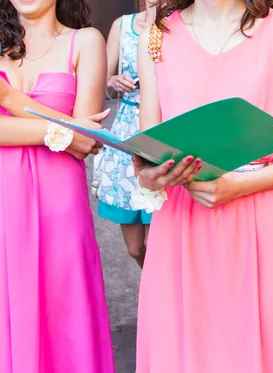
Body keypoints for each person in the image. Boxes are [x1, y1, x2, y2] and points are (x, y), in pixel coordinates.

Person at [133, 0, 273, 372]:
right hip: (183, 222)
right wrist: (150, 176)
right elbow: (148, 153)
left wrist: (243, 185)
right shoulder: (157, 36)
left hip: (263, 215)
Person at [0, 0, 115, 372]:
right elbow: (78, 134)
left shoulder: (85, 41)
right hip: (5, 198)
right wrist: (59, 130)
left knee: (66, 303)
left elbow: (85, 141)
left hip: (61, 200)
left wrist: (9, 101)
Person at [96, 0, 159, 268]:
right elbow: (102, 84)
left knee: (157, 244)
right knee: (135, 248)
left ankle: (161, 302)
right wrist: (112, 82)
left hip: (161, 130)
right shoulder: (121, 25)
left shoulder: (181, 25)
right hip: (125, 135)